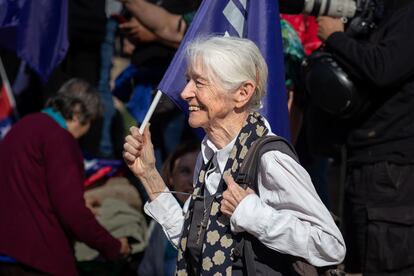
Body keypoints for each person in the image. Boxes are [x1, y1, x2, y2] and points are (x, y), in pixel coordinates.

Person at [123, 36, 345, 275]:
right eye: (188, 80)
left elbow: (330, 245)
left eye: (199, 82)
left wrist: (252, 212)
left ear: (242, 93)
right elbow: (195, 244)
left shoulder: (270, 159)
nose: (185, 93)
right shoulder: (208, 157)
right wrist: (148, 175)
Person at [316, 1, 414, 274]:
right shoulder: (382, 15)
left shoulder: (409, 15)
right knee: (360, 262)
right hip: (366, 163)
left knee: (385, 262)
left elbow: (382, 68)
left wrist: (336, 37)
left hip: (391, 170)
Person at [0, 79, 130, 276]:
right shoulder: (60, 139)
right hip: (37, 258)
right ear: (78, 114)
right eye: (91, 123)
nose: (86, 133)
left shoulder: (24, 125)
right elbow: (72, 212)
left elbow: (30, 187)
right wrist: (113, 247)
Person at [138, 141, 200, 276]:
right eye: (185, 171)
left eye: (198, 172)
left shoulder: (218, 221)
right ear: (171, 177)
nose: (192, 180)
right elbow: (146, 270)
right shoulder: (158, 222)